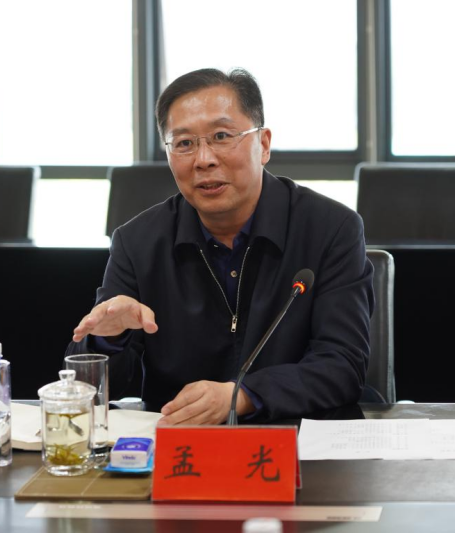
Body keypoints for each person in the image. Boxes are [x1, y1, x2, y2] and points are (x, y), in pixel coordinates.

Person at [67, 67, 373, 426]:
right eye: (184, 143)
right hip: (179, 442)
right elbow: (91, 392)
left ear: (263, 144)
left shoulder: (331, 229)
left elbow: (343, 365)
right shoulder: (138, 242)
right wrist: (107, 340)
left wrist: (242, 396)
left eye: (222, 136)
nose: (204, 159)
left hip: (296, 439)